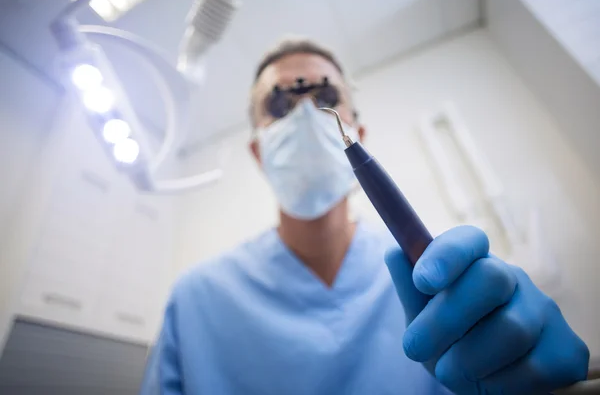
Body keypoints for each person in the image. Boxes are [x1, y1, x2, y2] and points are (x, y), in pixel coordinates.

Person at [140, 38, 589, 395]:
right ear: (259, 150)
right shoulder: (195, 300)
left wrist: (520, 365)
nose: (305, 115)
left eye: (325, 97)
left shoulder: (430, 278)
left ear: (357, 132)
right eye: (280, 105)